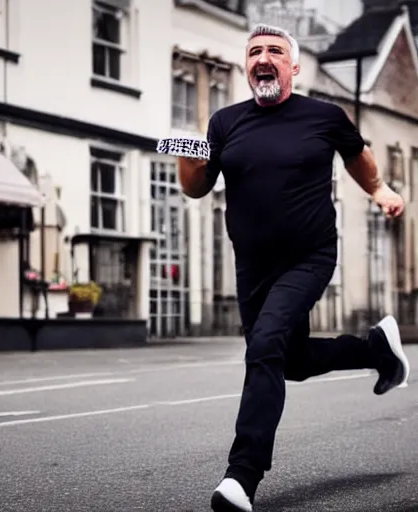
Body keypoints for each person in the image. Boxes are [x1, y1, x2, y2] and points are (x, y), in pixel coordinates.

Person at [176, 24, 411, 512]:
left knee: (264, 348)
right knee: (290, 361)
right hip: (254, 265)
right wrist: (183, 157)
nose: (264, 57)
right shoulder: (224, 122)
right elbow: (198, 187)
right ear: (247, 66)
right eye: (255, 51)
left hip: (310, 255)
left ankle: (241, 476)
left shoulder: (323, 115)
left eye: (275, 51)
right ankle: (377, 350)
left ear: (294, 66)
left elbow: (358, 156)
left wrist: (380, 190)